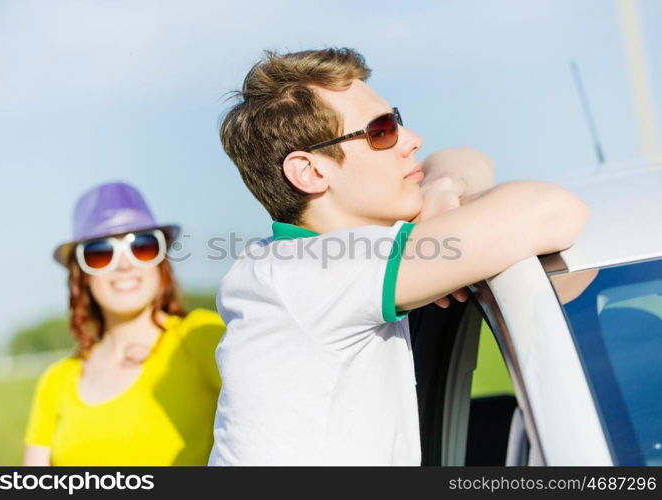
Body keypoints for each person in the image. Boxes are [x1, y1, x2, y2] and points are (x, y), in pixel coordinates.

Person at [209, 48, 589, 465]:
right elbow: (554, 210)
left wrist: (442, 187)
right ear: (312, 171)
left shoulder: (292, 262)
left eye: (396, 120)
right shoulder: (314, 269)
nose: (412, 141)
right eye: (382, 131)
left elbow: (466, 159)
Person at [23, 182, 224, 466]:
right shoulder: (56, 381)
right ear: (81, 275)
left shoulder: (204, 337)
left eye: (141, 246)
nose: (124, 264)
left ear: (161, 260)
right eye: (100, 252)